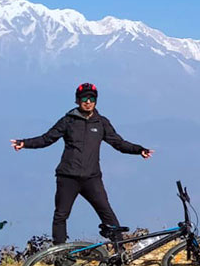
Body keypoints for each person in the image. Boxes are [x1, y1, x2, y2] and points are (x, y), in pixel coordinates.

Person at [10, 83, 151, 244]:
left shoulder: (101, 123)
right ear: (77, 100)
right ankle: (60, 254)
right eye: (85, 98)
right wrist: (25, 143)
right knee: (61, 215)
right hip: (68, 177)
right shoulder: (68, 121)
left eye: (92, 98)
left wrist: (139, 150)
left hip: (92, 178)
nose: (88, 101)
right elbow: (46, 139)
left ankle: (119, 249)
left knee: (107, 213)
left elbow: (118, 143)